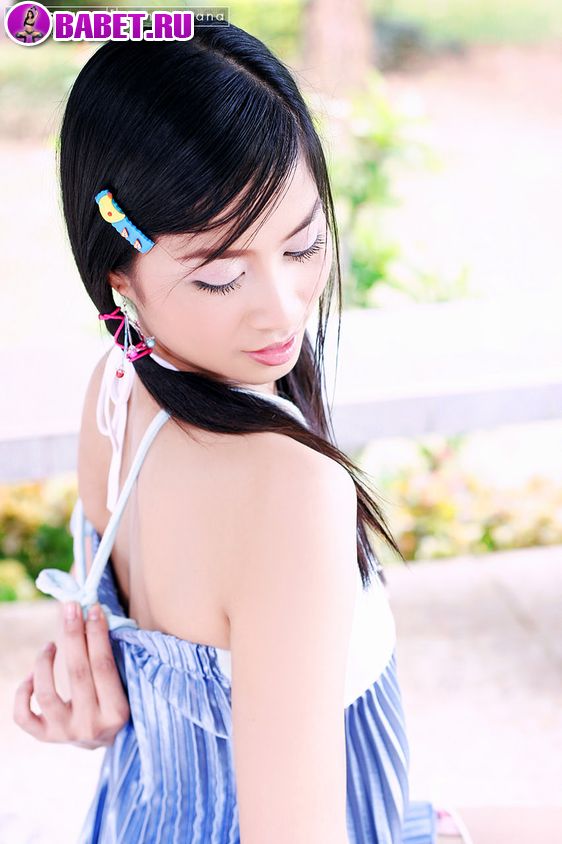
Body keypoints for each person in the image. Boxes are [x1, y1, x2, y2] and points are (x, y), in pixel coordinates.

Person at [12, 24, 472, 844]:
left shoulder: (114, 395)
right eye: (222, 276)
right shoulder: (291, 491)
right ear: (119, 275)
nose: (283, 308)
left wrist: (98, 707)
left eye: (303, 245)